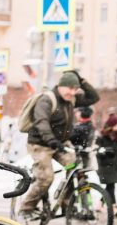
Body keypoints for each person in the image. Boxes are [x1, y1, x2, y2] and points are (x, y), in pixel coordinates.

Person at [17, 70, 99, 217]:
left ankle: (65, 203)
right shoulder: (47, 100)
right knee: (46, 177)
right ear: (61, 86)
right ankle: (26, 208)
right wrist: (51, 140)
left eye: (75, 89)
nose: (73, 92)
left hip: (59, 144)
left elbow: (94, 97)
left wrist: (82, 81)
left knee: (75, 168)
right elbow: (41, 122)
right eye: (70, 88)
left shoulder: (71, 99)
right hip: (40, 144)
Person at [96, 115, 117, 216]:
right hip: (105, 165)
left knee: (110, 185)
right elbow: (98, 150)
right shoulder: (103, 137)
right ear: (111, 125)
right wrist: (105, 151)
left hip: (115, 165)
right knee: (110, 185)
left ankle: (100, 203)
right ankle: (114, 206)